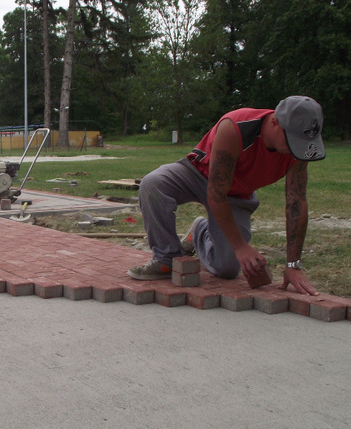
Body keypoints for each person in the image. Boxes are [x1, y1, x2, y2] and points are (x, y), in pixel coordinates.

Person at [128, 96, 325, 296]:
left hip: (236, 193)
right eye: (292, 141)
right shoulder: (236, 127)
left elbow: (296, 203)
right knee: (153, 184)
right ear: (274, 122)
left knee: (227, 268)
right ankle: (166, 257)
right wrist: (240, 246)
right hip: (197, 174)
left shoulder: (299, 151)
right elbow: (215, 193)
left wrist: (293, 264)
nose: (296, 148)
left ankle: (199, 232)